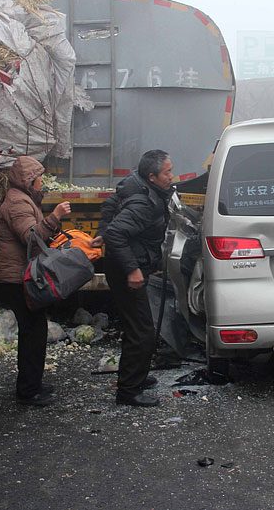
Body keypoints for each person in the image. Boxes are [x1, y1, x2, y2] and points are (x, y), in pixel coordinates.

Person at [0, 156, 71, 406]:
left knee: (35, 331)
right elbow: (31, 238)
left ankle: (33, 383)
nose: (42, 183)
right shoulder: (17, 202)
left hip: (21, 275)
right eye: (39, 179)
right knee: (32, 332)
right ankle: (28, 391)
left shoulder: (24, 199)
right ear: (29, 180)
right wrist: (55, 217)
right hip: (16, 279)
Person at [103, 150, 174, 407]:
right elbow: (116, 234)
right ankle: (128, 391)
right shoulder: (145, 203)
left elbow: (111, 204)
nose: (171, 176)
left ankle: (138, 377)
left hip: (130, 263)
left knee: (139, 326)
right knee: (142, 330)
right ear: (152, 176)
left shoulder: (137, 186)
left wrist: (103, 232)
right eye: (167, 172)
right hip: (123, 269)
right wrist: (133, 270)